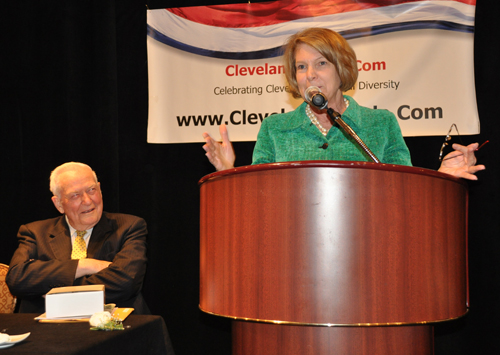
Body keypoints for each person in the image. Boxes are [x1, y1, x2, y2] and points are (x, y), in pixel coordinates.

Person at [202, 27, 485, 180]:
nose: (309, 74)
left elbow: (403, 186)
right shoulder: (274, 128)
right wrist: (228, 172)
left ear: (342, 69)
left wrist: (442, 177)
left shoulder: (381, 123)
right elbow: (256, 196)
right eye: (301, 67)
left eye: (321, 63)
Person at [6, 162, 150, 314]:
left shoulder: (129, 226)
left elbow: (126, 282)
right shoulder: (35, 232)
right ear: (59, 204)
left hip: (116, 329)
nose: (87, 201)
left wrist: (56, 291)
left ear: (100, 190)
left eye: (91, 190)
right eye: (75, 195)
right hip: (47, 331)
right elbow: (17, 278)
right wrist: (84, 266)